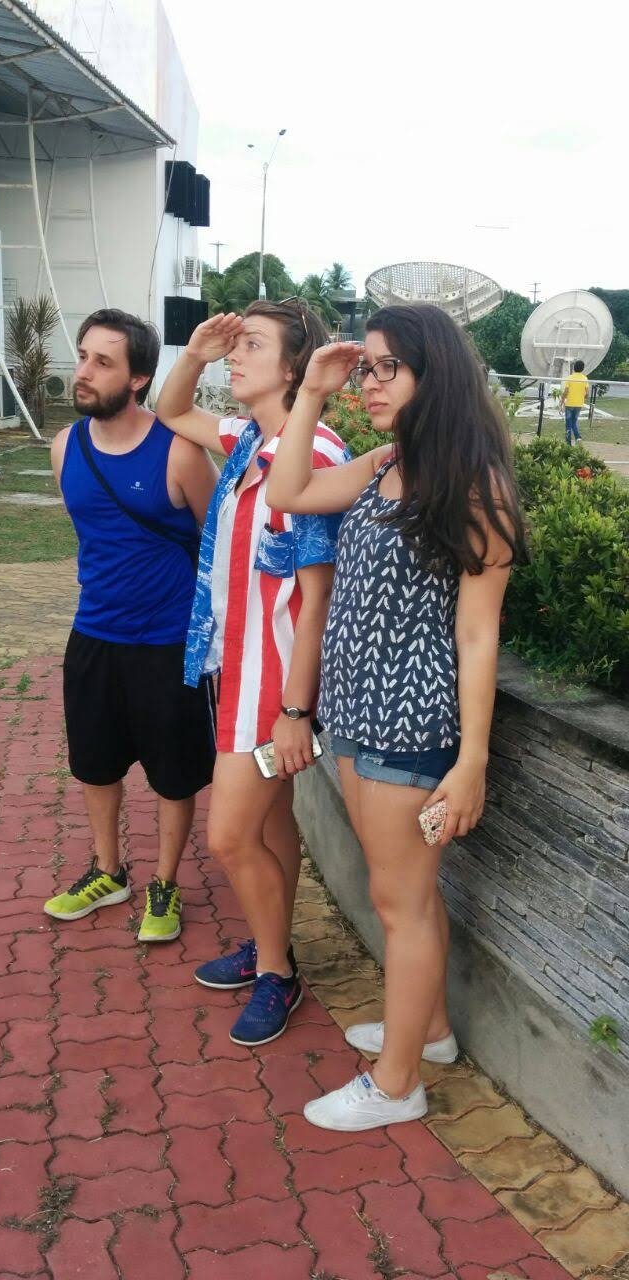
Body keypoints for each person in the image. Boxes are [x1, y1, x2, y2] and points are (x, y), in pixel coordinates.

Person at [267, 304, 527, 1129]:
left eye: (389, 369)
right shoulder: (387, 464)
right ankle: (432, 1031)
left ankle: (396, 1083)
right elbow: (288, 491)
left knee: (400, 904)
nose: (371, 384)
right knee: (408, 896)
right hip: (356, 712)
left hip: (409, 730)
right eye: (367, 368)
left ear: (433, 375)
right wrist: (312, 390)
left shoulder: (474, 487)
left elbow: (478, 633)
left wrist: (471, 760)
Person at [155, 302, 350, 1046]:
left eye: (252, 345)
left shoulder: (315, 453)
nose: (235, 356)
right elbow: (172, 410)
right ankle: (272, 944)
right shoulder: (246, 440)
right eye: (235, 345)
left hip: (273, 683)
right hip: (231, 666)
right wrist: (196, 352)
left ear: (295, 368)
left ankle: (277, 971)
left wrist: (295, 712)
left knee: (230, 837)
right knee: (271, 824)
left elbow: (317, 598)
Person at [43, 308, 219, 943]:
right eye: (82, 356)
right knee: (94, 765)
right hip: (93, 635)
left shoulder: (179, 450)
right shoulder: (65, 447)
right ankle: (108, 870)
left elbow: (216, 542)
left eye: (103, 362)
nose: (83, 372)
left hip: (168, 644)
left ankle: (164, 883)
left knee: (173, 773)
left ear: (139, 378)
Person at [560, 359, 589, 444]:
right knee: (574, 422)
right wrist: (582, 398)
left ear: (574, 367)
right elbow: (587, 394)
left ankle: (568, 443)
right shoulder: (584, 378)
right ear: (582, 368)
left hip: (569, 404)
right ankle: (578, 438)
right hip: (579, 404)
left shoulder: (570, 378)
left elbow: (566, 392)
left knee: (568, 424)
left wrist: (562, 400)